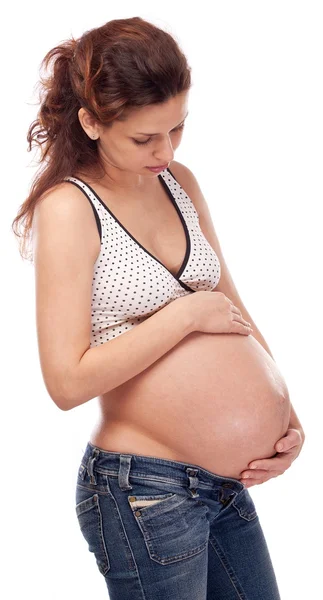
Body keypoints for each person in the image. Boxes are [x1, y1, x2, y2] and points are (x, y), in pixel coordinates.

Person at [12, 16, 305, 600]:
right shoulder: (71, 208)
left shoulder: (180, 182)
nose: (165, 151)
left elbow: (232, 307)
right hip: (143, 490)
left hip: (223, 486)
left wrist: (284, 416)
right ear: (92, 122)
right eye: (144, 138)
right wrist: (183, 317)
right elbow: (65, 382)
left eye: (176, 129)